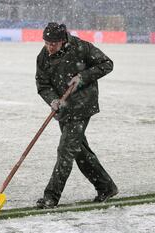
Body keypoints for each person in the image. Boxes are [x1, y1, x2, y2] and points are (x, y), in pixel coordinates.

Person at [35, 22, 118, 209]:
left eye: (53, 43)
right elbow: (42, 84)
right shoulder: (43, 56)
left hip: (82, 106)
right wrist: (53, 100)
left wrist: (83, 77)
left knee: (65, 151)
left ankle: (51, 196)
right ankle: (106, 187)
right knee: (80, 152)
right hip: (63, 109)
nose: (49, 47)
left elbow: (107, 64)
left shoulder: (81, 48)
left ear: (63, 40)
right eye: (46, 42)